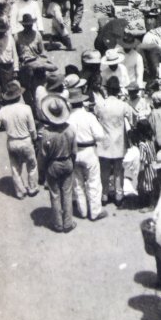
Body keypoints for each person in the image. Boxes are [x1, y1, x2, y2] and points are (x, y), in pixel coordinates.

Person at [38, 94, 77, 233]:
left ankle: (58, 224)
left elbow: (42, 156)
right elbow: (74, 151)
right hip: (67, 162)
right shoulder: (70, 130)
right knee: (67, 192)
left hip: (52, 166)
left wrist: (41, 172)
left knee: (55, 194)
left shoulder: (46, 134)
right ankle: (68, 223)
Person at [0, 80, 39, 199]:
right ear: (19, 96)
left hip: (12, 141)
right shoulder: (26, 108)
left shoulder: (3, 111)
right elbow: (32, 129)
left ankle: (20, 191)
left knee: (15, 168)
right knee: (32, 165)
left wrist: (7, 127)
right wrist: (34, 139)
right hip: (25, 140)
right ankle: (33, 188)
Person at [67, 87, 107, 222]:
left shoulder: (68, 119)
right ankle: (95, 212)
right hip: (89, 151)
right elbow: (100, 135)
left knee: (77, 183)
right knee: (94, 181)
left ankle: (82, 210)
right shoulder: (89, 117)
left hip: (74, 152)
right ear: (82, 102)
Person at [95, 76, 135, 207]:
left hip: (104, 142)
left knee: (104, 170)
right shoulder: (123, 105)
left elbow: (96, 117)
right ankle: (119, 194)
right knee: (119, 170)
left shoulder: (100, 104)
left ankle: (104, 195)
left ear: (107, 90)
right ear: (118, 90)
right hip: (119, 142)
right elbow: (132, 120)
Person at [135, 118, 157, 210]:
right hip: (154, 165)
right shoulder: (151, 140)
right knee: (152, 184)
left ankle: (150, 205)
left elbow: (142, 159)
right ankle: (151, 203)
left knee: (147, 184)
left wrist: (139, 170)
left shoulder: (142, 144)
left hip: (147, 167)